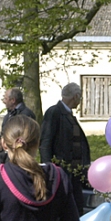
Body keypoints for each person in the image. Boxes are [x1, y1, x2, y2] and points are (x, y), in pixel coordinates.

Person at [40, 82, 90, 213]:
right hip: (61, 171)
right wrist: (49, 169)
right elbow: (45, 142)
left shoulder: (67, 114)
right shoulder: (54, 112)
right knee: (66, 208)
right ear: (76, 96)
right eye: (80, 98)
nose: (80, 101)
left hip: (74, 173)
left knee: (77, 207)